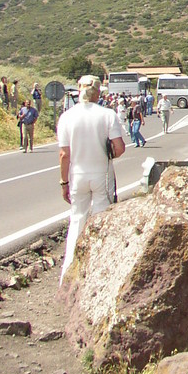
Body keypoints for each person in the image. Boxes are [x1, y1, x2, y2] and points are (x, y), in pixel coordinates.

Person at [58, 75, 125, 282]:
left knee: (77, 219)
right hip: (102, 174)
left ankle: (68, 274)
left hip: (77, 175)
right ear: (97, 93)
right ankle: (98, 272)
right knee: (101, 220)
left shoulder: (66, 117)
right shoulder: (107, 115)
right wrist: (107, 153)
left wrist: (64, 182)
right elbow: (119, 148)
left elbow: (64, 154)